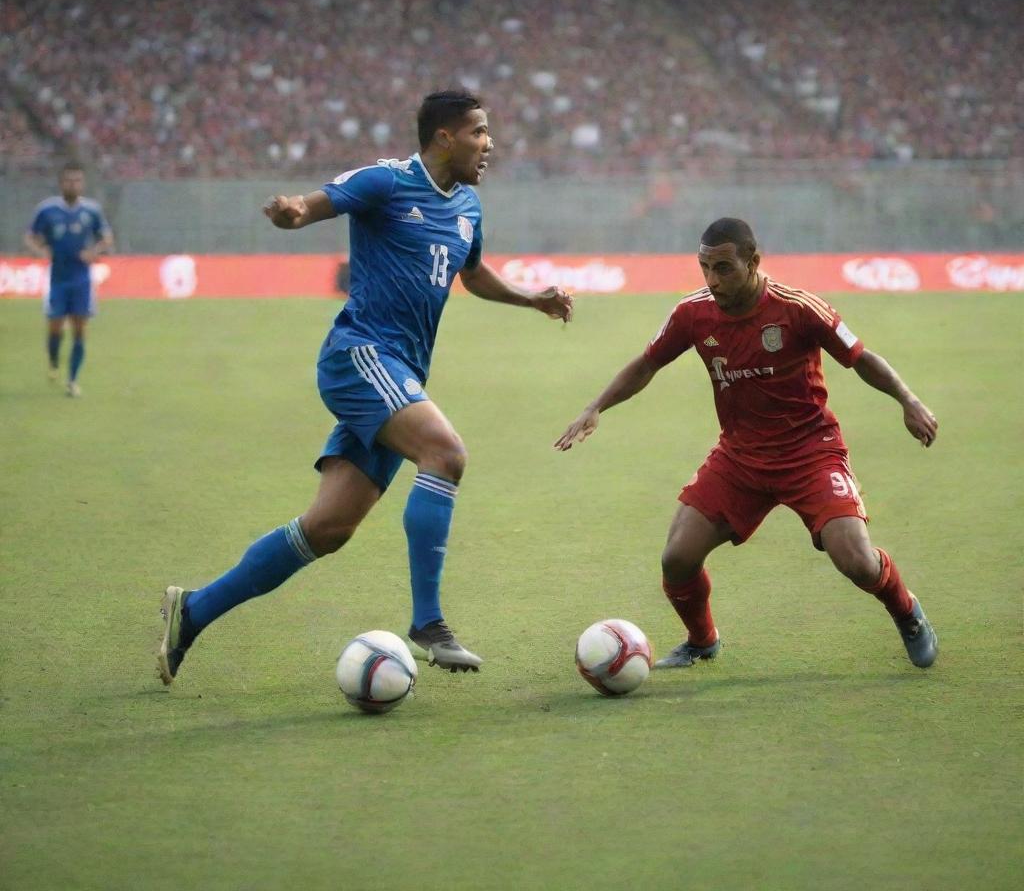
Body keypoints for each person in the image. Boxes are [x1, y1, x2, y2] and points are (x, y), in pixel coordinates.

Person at [158, 90, 574, 684]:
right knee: (446, 452)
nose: (490, 144)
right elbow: (318, 203)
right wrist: (294, 212)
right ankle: (428, 622)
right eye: (479, 132)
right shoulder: (387, 181)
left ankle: (192, 613)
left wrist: (531, 299)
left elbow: (473, 272)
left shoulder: (468, 208)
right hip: (360, 357)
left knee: (326, 530)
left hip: (399, 373)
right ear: (444, 138)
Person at [555, 217, 938, 669]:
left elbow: (862, 358)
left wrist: (908, 400)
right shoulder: (692, 313)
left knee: (856, 560)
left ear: (753, 262)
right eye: (705, 268)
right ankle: (702, 641)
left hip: (810, 453)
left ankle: (908, 613)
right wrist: (596, 405)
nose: (713, 280)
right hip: (740, 457)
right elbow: (646, 364)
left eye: (723, 268)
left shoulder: (798, 308)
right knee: (677, 558)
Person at [23, 163, 114, 397]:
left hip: (81, 279)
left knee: (80, 330)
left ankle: (72, 381)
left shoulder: (91, 211)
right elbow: (30, 237)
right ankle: (53, 360)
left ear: (82, 184)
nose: (72, 184)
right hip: (57, 279)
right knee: (55, 328)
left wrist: (94, 252)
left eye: (77, 180)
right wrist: (40, 251)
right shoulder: (47, 210)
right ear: (61, 183)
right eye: (68, 180)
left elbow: (106, 238)